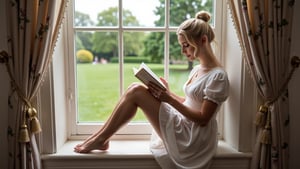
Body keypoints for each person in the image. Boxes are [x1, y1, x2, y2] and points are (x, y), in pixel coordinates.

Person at [74, 11, 229, 169]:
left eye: (186, 45)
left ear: (203, 40)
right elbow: (189, 102)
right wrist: (167, 93)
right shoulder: (197, 69)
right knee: (134, 88)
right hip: (184, 123)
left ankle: (101, 139)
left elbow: (203, 118)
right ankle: (100, 137)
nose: (183, 51)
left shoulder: (218, 77)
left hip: (192, 138)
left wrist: (168, 99)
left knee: (136, 91)